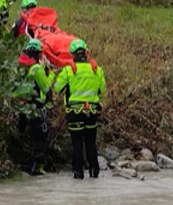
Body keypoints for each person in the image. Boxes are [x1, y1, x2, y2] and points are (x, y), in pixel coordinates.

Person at [54, 39, 106, 179]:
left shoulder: (68, 70)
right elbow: (102, 89)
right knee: (91, 143)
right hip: (92, 112)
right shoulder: (97, 70)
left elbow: (58, 88)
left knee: (77, 143)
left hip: (74, 112)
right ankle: (94, 171)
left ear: (72, 55)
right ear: (86, 53)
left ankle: (78, 173)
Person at [13, 39, 55, 176]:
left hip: (21, 107)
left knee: (22, 135)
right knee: (39, 138)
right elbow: (46, 87)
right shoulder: (37, 69)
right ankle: (37, 167)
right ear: (38, 54)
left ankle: (19, 164)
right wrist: (51, 73)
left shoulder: (18, 67)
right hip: (36, 108)